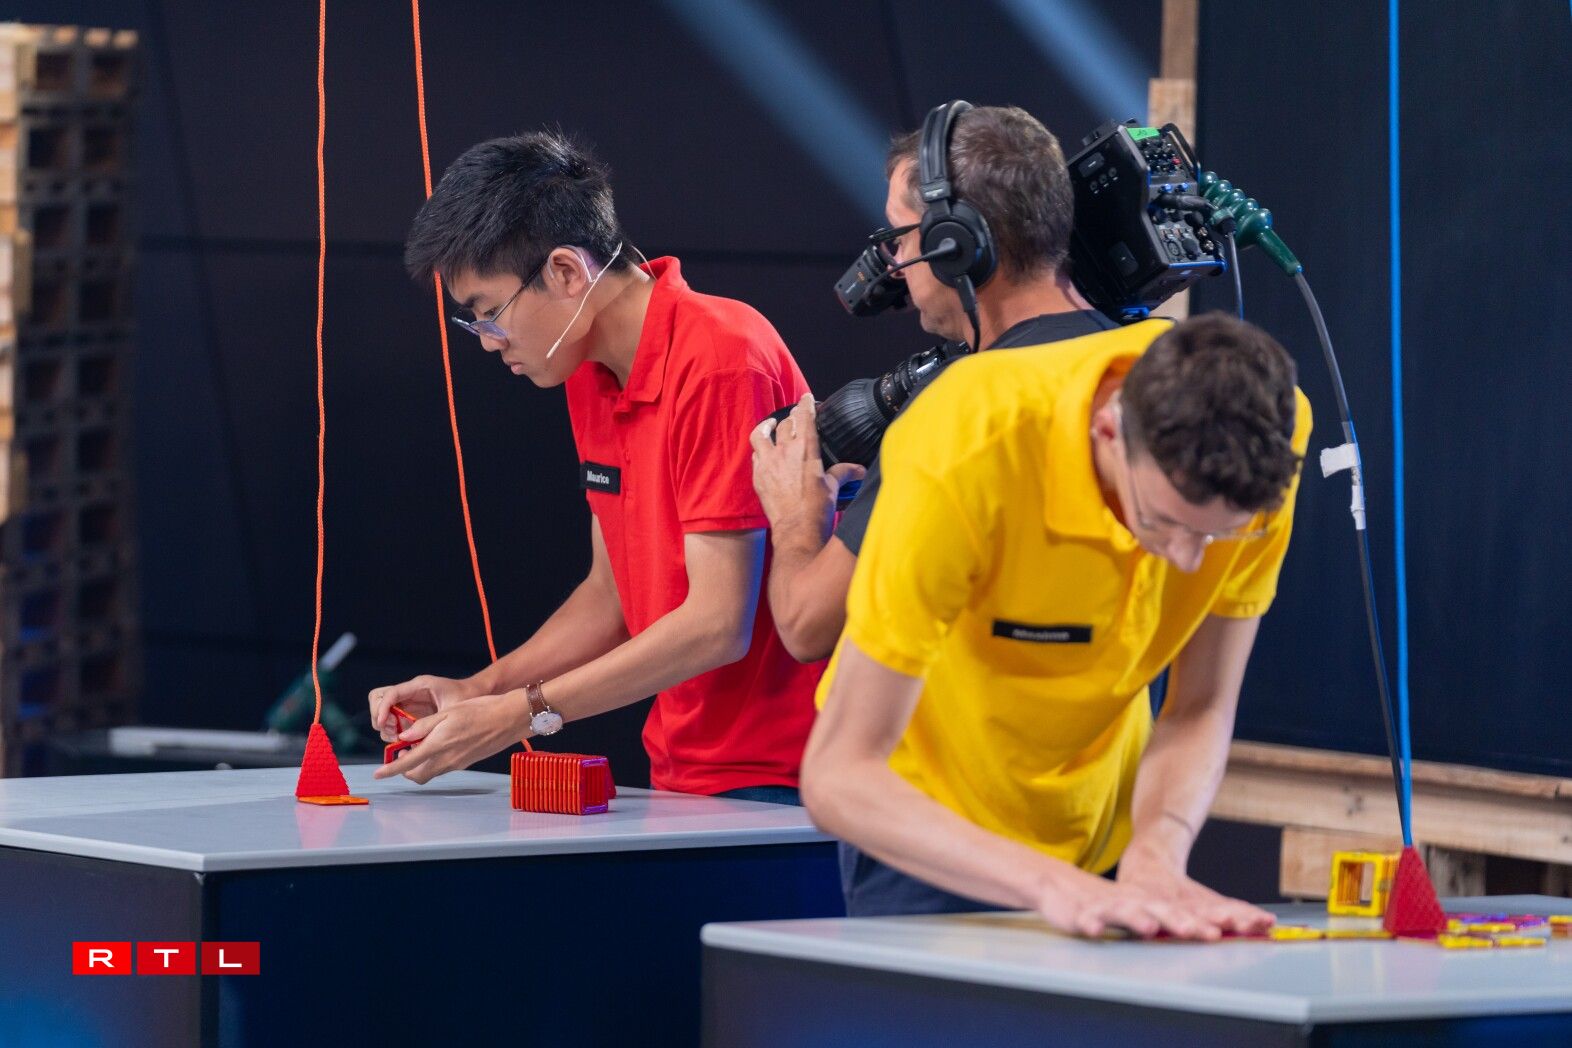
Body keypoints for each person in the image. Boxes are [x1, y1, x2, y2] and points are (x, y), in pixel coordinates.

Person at [799, 311, 1312, 937]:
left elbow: (1201, 705)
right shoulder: (966, 442)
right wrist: (1050, 885)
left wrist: (1156, 855)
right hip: (927, 833)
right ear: (1108, 431)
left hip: (1104, 833)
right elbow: (838, 777)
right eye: (1164, 523)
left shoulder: (1267, 435)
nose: (1189, 560)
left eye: (1221, 534)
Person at [369, 130, 820, 803]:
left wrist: (518, 715)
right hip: (682, 773)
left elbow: (718, 624)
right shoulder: (588, 370)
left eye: (489, 313)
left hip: (781, 778)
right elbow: (609, 598)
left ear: (565, 273)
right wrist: (479, 691)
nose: (489, 342)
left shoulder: (722, 357)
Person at [751, 103, 1116, 663]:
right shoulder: (1156, 365)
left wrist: (795, 517)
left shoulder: (953, 414)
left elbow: (805, 624)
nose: (894, 262)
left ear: (955, 244)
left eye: (900, 238)